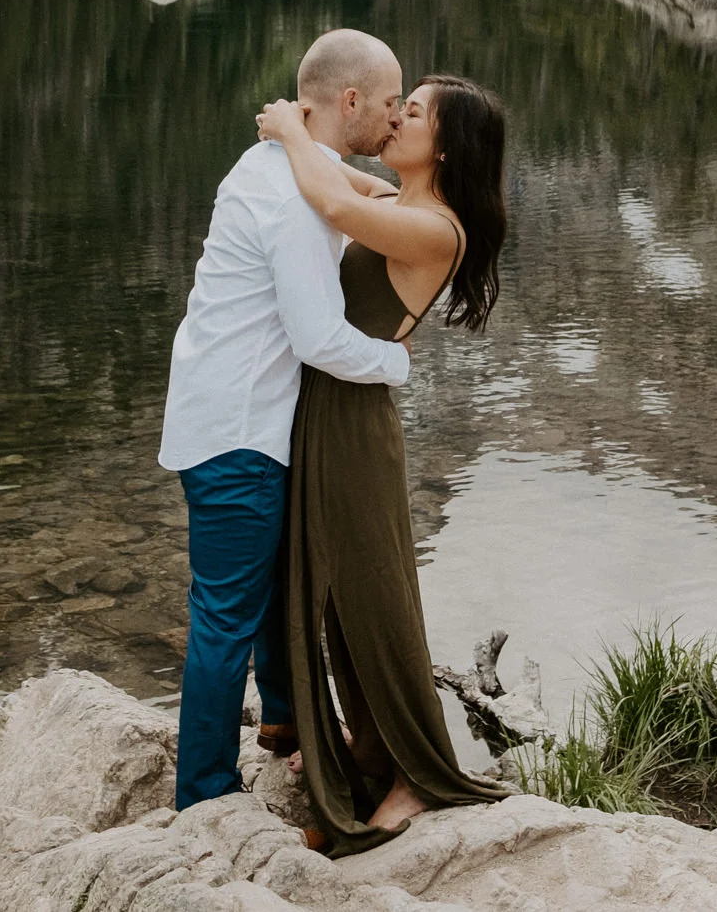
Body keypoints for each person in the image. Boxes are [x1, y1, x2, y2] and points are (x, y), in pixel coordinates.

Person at [157, 28, 416, 812]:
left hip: (223, 413)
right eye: (388, 103)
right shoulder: (293, 201)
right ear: (348, 101)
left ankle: (282, 718)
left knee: (267, 586)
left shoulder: (283, 163)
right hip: (239, 431)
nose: (397, 118)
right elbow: (320, 339)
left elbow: (353, 190)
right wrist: (398, 363)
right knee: (224, 616)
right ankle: (204, 795)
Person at [256, 73, 511, 855]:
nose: (396, 119)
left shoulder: (438, 226)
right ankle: (363, 752)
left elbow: (334, 206)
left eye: (414, 113)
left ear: (447, 143)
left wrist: (290, 131)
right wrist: (311, 135)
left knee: (373, 595)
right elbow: (346, 183)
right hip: (329, 407)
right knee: (333, 595)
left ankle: (416, 777)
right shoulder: (405, 202)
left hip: (355, 424)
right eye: (400, 105)